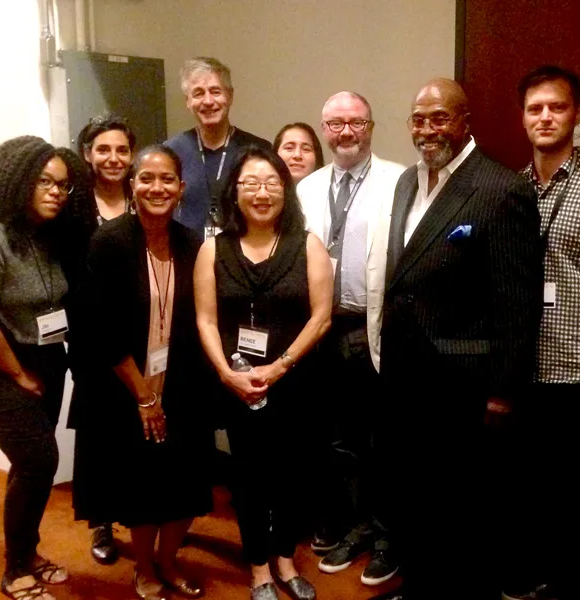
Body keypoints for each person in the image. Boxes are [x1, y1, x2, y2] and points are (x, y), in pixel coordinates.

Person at [373, 78, 543, 600]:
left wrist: (503, 390)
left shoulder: (499, 188)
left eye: (439, 117)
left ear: (465, 120)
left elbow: (518, 300)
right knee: (415, 492)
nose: (427, 130)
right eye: (418, 119)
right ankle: (422, 582)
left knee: (460, 501)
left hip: (462, 382)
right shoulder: (406, 182)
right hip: (407, 375)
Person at [75, 144, 214, 600]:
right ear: (132, 185)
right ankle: (146, 566)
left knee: (186, 480)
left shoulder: (194, 243)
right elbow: (101, 329)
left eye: (167, 179)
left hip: (184, 383)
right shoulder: (110, 242)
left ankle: (170, 560)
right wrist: (144, 397)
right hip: (127, 382)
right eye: (147, 179)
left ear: (181, 187)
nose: (157, 187)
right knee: (141, 484)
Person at [194, 145, 332, 600]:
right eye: (250, 183)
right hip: (239, 385)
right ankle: (257, 567)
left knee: (293, 474)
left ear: (285, 191)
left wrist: (281, 366)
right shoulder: (213, 249)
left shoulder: (306, 243)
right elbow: (206, 320)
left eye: (272, 183)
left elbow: (321, 316)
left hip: (297, 382)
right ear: (234, 193)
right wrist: (226, 374)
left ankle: (286, 559)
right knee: (249, 479)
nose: (261, 192)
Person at [503, 66, 580, 600]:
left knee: (579, 492)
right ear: (522, 117)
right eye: (534, 108)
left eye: (556, 107)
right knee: (524, 486)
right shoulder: (507, 190)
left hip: (579, 366)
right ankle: (529, 574)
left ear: (576, 114)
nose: (545, 117)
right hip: (521, 367)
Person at [0, 136, 88, 600]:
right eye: (43, 181)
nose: (55, 191)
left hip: (45, 357)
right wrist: (16, 374)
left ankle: (28, 552)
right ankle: (16, 570)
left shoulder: (52, 236)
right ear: (17, 182)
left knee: (30, 464)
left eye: (63, 184)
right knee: (39, 461)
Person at [296, 91, 405, 586]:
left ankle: (389, 537)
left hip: (373, 326)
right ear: (324, 129)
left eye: (354, 123)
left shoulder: (399, 180)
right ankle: (356, 525)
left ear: (371, 126)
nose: (345, 132)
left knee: (385, 438)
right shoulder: (309, 187)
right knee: (340, 440)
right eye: (335, 124)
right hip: (323, 328)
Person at [68, 113, 136, 566]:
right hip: (92, 334)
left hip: (141, 328)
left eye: (121, 150)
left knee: (138, 425)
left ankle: (139, 510)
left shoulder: (144, 194)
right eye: (103, 149)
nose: (113, 158)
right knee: (99, 430)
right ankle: (102, 522)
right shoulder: (74, 206)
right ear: (88, 154)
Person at [166, 57, 272, 239]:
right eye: (198, 93)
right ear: (188, 101)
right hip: (187, 258)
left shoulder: (257, 150)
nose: (208, 101)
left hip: (243, 258)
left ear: (230, 96)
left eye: (215, 91)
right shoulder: (171, 152)